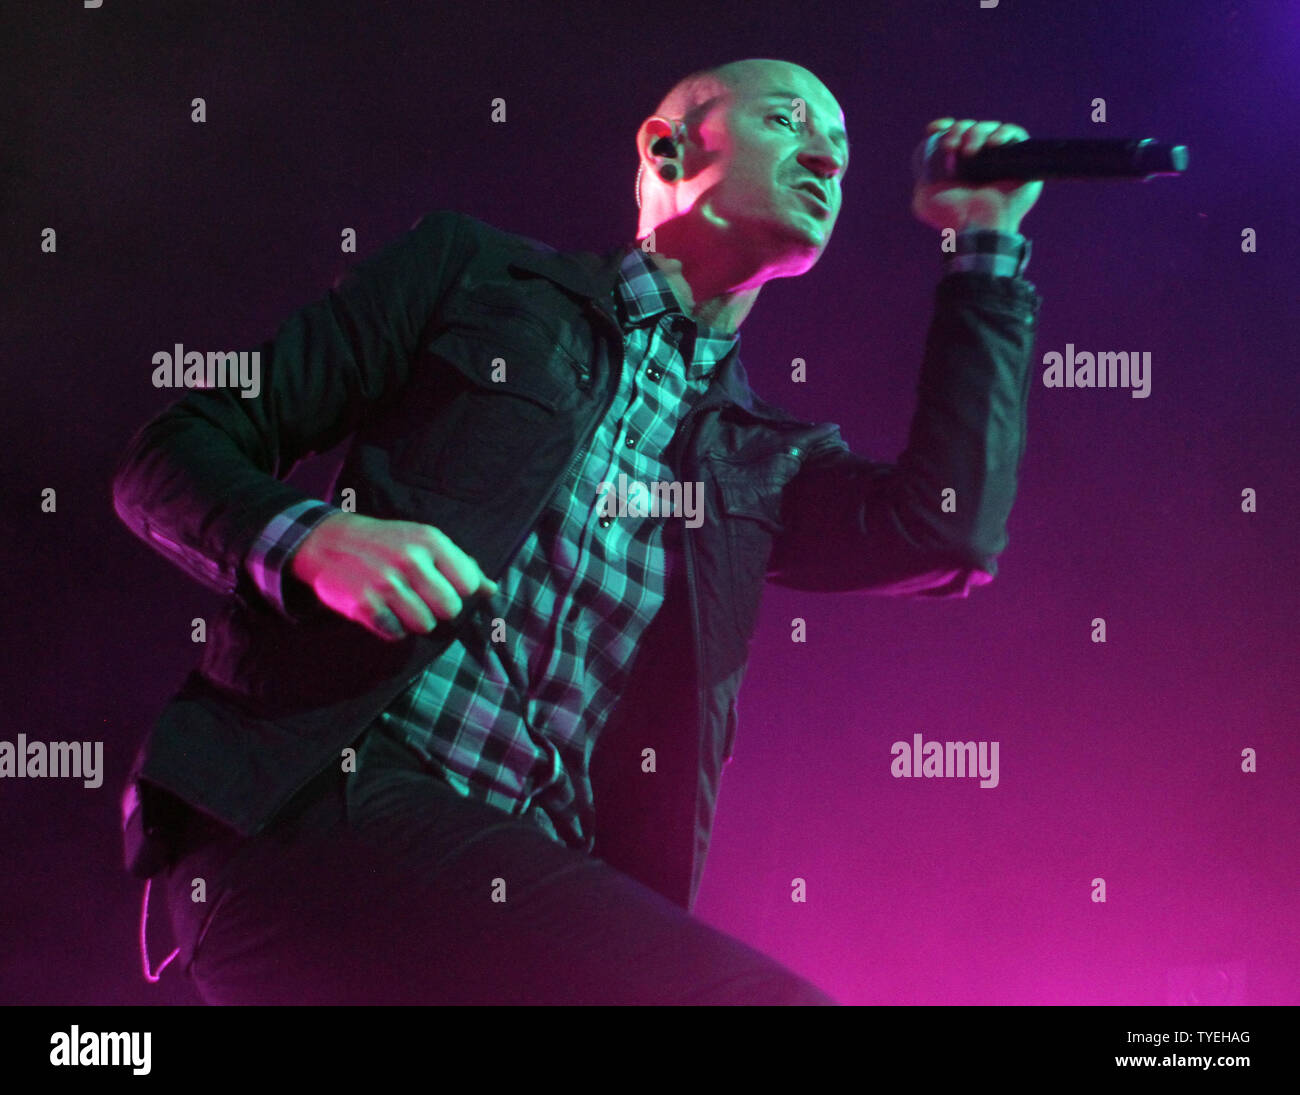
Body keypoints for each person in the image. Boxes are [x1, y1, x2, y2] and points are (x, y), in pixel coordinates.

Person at [112, 58, 1043, 1004]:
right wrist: (309, 538)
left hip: (524, 899)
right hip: (311, 815)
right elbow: (171, 452)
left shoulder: (760, 462)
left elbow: (948, 531)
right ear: (667, 145)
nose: (826, 159)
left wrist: (987, 246)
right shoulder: (471, 276)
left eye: (842, 154)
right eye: (790, 120)